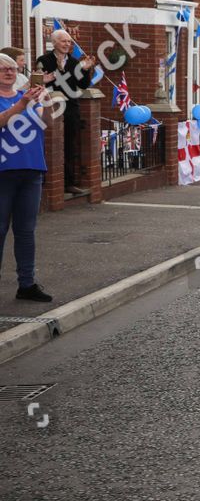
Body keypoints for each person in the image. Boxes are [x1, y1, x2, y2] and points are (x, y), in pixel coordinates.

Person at [0, 55, 51, 302]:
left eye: (12, 68)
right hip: (4, 172)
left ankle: (27, 284)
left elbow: (46, 123)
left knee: (26, 230)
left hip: (31, 169)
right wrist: (21, 104)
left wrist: (47, 102)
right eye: (3, 69)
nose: (9, 72)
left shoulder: (28, 98)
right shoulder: (20, 100)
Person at [34, 29, 97, 197]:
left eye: (69, 42)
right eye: (64, 41)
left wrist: (86, 69)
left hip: (70, 108)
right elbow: (39, 81)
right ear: (54, 43)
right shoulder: (44, 60)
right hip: (51, 107)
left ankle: (68, 183)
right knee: (51, 145)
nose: (67, 44)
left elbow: (83, 85)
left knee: (70, 144)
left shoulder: (75, 62)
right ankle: (47, 182)